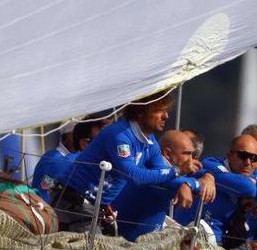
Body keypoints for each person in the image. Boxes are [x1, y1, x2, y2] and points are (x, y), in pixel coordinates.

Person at [57, 92, 182, 231]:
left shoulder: (151, 143)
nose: (166, 116)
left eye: (166, 110)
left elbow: (163, 175)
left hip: (95, 208)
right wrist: (175, 171)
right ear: (140, 111)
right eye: (159, 110)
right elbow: (135, 176)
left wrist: (187, 184)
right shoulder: (119, 135)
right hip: (72, 202)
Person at [111, 130, 214, 241]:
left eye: (193, 154)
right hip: (130, 245)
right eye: (186, 154)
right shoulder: (155, 170)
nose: (191, 160)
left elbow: (196, 172)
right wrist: (189, 184)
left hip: (144, 241)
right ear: (168, 153)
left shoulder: (158, 163)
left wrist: (208, 176)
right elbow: (175, 182)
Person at [32, 120, 97, 195]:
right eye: (75, 134)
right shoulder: (53, 158)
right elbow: (46, 188)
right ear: (65, 137)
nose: (78, 137)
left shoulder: (76, 157)